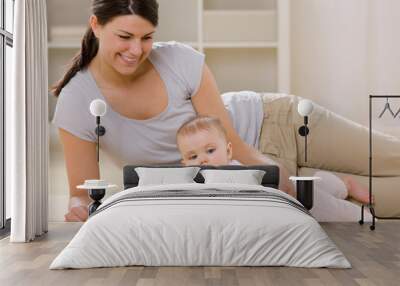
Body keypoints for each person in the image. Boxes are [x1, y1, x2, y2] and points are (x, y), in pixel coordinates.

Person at [52, 0, 293, 222]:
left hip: (269, 122)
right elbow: (81, 192)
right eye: (125, 36)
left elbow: (233, 142)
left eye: (146, 37)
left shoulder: (178, 59)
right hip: (226, 177)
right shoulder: (76, 100)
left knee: (324, 194)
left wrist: (271, 169)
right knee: (327, 200)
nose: (136, 50)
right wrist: (79, 207)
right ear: (95, 25)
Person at [176, 116, 373, 222]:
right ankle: (335, 183)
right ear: (184, 163)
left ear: (229, 151)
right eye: (193, 156)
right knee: (320, 190)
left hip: (297, 203)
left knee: (334, 211)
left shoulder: (238, 172)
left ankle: (357, 205)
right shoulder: (190, 185)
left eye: (210, 150)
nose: (202, 160)